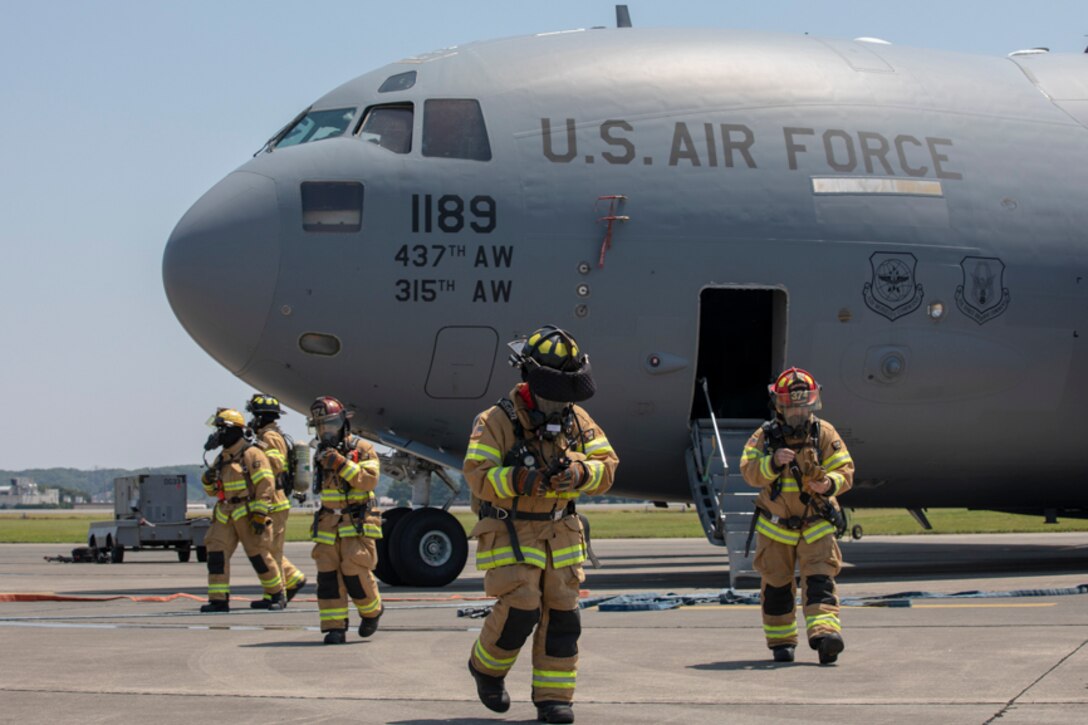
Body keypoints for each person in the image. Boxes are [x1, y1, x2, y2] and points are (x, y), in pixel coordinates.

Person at [464, 325, 619, 724]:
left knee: (564, 615)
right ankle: (487, 669)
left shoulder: (576, 417)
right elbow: (478, 475)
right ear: (529, 381)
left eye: (567, 393)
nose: (559, 402)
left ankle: (554, 699)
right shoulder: (494, 420)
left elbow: (607, 465)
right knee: (521, 607)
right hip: (511, 528)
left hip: (560, 532)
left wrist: (580, 474)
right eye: (553, 393)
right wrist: (525, 479)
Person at [739, 367, 855, 665]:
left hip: (816, 525)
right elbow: (749, 471)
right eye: (791, 405)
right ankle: (781, 642)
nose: (798, 411)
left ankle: (825, 637)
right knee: (777, 587)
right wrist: (773, 462)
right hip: (776, 528)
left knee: (821, 583)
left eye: (804, 404)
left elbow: (845, 469)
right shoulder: (764, 436)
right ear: (779, 404)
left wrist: (828, 483)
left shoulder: (824, 433)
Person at [307, 396, 383, 644]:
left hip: (357, 522)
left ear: (342, 423)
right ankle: (334, 628)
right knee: (327, 576)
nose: (325, 431)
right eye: (320, 426)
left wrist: (341, 464)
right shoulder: (320, 454)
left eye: (329, 424)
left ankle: (372, 612)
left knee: (354, 570)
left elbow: (369, 481)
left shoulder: (363, 449)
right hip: (329, 524)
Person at [199, 408, 285, 612]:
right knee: (216, 553)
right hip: (226, 513)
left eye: (221, 429)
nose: (217, 434)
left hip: (248, 514)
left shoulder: (252, 454)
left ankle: (276, 595)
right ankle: (218, 600)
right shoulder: (222, 458)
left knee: (259, 555)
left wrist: (260, 514)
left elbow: (266, 484)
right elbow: (213, 491)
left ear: (233, 430)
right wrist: (208, 479)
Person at [246, 394, 307, 607]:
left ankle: (277, 594)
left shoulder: (270, 437)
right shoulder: (268, 435)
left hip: (274, 500)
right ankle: (292, 579)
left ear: (261, 416)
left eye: (254, 415)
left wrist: (253, 452)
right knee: (271, 549)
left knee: (270, 550)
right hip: (276, 499)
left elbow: (275, 465)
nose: (252, 419)